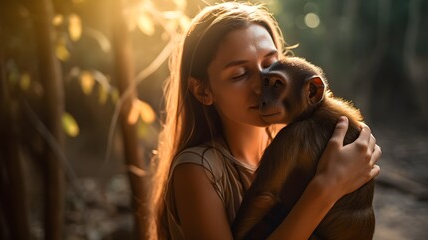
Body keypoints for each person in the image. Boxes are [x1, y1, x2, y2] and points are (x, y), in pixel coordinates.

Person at [148, 2, 381, 240]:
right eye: (239, 74)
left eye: (270, 67)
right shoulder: (197, 170)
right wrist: (326, 188)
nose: (262, 86)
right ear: (202, 91)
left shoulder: (305, 143)